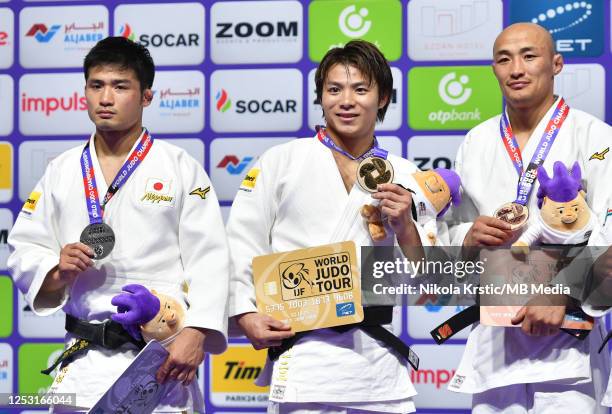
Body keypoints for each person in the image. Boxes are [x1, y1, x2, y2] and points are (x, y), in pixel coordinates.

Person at [7, 36, 230, 412]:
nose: (105, 98)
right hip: (84, 361)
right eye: (96, 86)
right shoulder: (61, 170)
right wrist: (55, 270)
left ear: (146, 96)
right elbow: (24, 247)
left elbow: (211, 258)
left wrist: (196, 332)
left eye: (120, 86)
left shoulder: (179, 167)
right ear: (85, 93)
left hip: (159, 363)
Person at [226, 39, 435, 414]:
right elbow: (240, 243)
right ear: (321, 97)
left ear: (383, 97)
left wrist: (405, 227)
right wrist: (245, 314)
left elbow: (429, 281)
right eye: (334, 89)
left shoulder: (405, 175)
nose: (346, 100)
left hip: (377, 366)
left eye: (361, 89)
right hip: (302, 360)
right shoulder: (281, 162)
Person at [446, 22, 612, 413]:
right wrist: (468, 237)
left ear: (556, 64)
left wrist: (563, 289)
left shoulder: (597, 139)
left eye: (529, 56)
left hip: (570, 354)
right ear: (494, 70)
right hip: (494, 349)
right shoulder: (476, 142)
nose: (516, 69)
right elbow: (450, 238)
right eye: (504, 59)